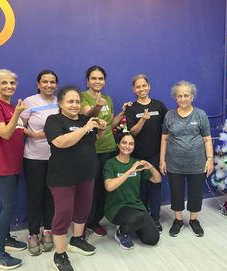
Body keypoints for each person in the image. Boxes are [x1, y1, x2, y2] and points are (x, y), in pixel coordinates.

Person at [44, 86, 106, 271]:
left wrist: (100, 128)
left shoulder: (85, 119)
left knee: (83, 208)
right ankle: (60, 254)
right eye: (70, 101)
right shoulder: (53, 120)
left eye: (77, 101)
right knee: (64, 213)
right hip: (62, 177)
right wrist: (86, 128)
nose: (74, 105)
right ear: (60, 103)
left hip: (86, 174)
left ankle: (77, 239)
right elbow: (61, 142)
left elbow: (96, 138)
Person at [0, 69, 27, 270]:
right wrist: (18, 113)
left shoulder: (8, 105)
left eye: (12, 83)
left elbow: (19, 130)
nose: (9, 86)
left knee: (6, 205)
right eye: (4, 83)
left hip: (13, 162)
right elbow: (5, 134)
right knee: (10, 205)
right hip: (0, 164)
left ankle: (6, 238)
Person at [81, 65, 132, 236]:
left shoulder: (108, 99)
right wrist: (97, 105)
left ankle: (97, 219)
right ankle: (88, 222)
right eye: (94, 78)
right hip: (92, 149)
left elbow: (110, 123)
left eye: (100, 78)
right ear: (87, 80)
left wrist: (122, 112)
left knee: (105, 188)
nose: (97, 81)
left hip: (109, 148)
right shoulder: (82, 97)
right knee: (91, 188)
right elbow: (88, 116)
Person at [159, 80, 214, 237]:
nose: (183, 98)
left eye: (186, 95)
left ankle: (194, 220)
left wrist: (210, 159)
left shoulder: (200, 115)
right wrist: (162, 160)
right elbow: (164, 139)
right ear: (175, 98)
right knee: (176, 192)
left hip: (197, 162)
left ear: (192, 97)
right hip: (174, 162)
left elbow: (207, 139)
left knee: (196, 192)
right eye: (179, 96)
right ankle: (178, 220)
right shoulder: (169, 115)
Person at [21, 70, 59, 255]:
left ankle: (49, 230)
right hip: (33, 158)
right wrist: (34, 134)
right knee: (35, 196)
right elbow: (20, 125)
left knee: (51, 196)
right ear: (38, 84)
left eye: (52, 82)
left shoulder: (60, 102)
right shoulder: (30, 102)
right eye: (45, 81)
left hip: (55, 158)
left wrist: (41, 134)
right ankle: (33, 233)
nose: (49, 85)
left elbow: (61, 128)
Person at [103, 133, 161, 249]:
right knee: (136, 217)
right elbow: (109, 186)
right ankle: (121, 233)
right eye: (124, 143)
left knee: (152, 239)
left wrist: (151, 167)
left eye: (131, 144)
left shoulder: (136, 162)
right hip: (117, 207)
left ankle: (131, 225)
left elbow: (157, 179)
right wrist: (130, 171)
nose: (127, 146)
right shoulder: (110, 164)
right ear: (118, 145)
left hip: (136, 206)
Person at [125, 74, 167, 233]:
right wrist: (142, 119)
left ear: (149, 86)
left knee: (155, 187)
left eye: (144, 85)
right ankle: (143, 218)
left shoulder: (159, 105)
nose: (141, 89)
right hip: (137, 155)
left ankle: (155, 218)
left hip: (156, 155)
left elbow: (168, 128)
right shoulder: (131, 108)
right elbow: (132, 132)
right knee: (140, 189)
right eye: (138, 87)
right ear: (133, 89)